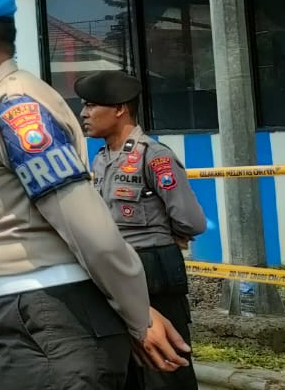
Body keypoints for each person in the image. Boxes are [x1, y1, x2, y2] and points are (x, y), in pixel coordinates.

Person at [0, 0, 190, 389]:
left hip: (45, 322)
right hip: (16, 319)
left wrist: (139, 315)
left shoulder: (18, 109)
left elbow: (89, 228)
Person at [77, 70, 207, 390]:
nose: (84, 114)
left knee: (164, 367)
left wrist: (168, 233)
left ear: (120, 109)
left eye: (92, 106)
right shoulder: (103, 158)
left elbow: (192, 221)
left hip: (153, 272)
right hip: (116, 270)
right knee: (128, 366)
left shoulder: (154, 155)